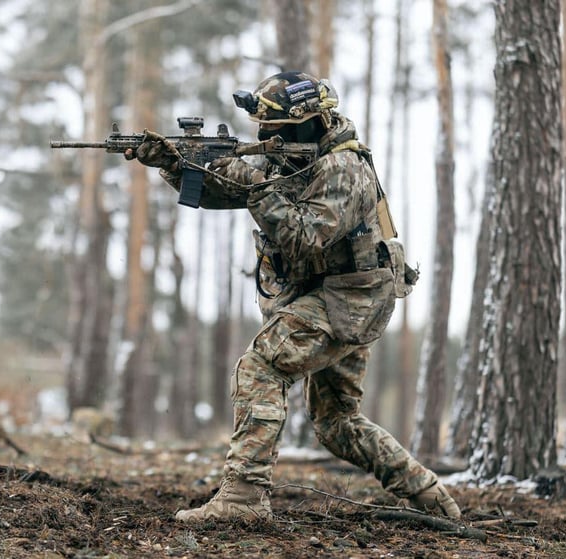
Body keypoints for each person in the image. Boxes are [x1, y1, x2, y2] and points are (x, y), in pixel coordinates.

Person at [132, 71, 461, 522]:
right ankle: (430, 496)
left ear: (309, 122)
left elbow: (305, 236)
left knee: (261, 366)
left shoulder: (343, 169)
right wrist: (174, 163)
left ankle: (244, 499)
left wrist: (247, 177)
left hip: (351, 300)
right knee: (336, 424)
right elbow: (224, 192)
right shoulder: (290, 158)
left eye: (276, 128)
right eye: (264, 128)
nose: (266, 137)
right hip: (332, 295)